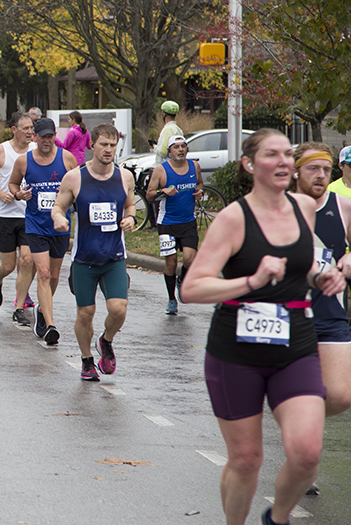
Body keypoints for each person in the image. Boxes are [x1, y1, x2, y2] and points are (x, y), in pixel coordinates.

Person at [180, 129, 345, 525]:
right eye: (273, 154)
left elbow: (300, 264)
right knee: (246, 459)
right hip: (236, 350)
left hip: (295, 342)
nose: (285, 162)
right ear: (250, 165)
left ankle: (278, 517)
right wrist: (251, 281)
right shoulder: (233, 218)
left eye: (289, 154)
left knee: (306, 454)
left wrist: (321, 277)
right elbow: (192, 288)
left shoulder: (304, 208)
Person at [51, 123, 136, 380]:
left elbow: (130, 205)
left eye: (113, 145)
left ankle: (106, 340)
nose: (109, 149)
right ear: (92, 145)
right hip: (84, 259)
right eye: (104, 144)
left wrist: (131, 218)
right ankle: (87, 360)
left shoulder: (125, 177)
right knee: (85, 314)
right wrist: (59, 218)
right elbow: (58, 206)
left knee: (118, 309)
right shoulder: (75, 177)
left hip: (113, 257)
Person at [292, 142, 351, 418]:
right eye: (313, 168)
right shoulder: (278, 208)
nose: (321, 175)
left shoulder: (343, 207)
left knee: (341, 396)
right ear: (295, 172)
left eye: (326, 169)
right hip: (288, 315)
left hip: (330, 313)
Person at [10, 118, 78, 345]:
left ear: (54, 135)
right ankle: (50, 324)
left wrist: (70, 193)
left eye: (50, 136)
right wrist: (19, 194)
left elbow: (80, 186)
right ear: (35, 137)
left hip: (60, 227)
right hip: (36, 226)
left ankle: (42, 309)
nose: (46, 141)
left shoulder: (67, 158)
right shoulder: (24, 161)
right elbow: (12, 185)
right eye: (43, 137)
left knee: (55, 276)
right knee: (44, 273)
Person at [0, 112, 37, 326]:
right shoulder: (0, 150)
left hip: (29, 215)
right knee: (8, 265)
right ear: (14, 130)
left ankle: (19, 307)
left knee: (28, 260)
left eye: (32, 127)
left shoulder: (36, 150)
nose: (30, 132)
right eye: (26, 128)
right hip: (5, 215)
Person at [145, 135, 204, 315]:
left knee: (189, 259)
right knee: (170, 263)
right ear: (169, 151)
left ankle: (182, 280)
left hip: (188, 221)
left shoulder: (194, 166)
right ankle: (172, 299)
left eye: (183, 146)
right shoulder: (161, 170)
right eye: (176, 147)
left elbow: (200, 184)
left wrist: (200, 192)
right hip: (167, 223)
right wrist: (163, 190)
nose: (180, 150)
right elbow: (149, 195)